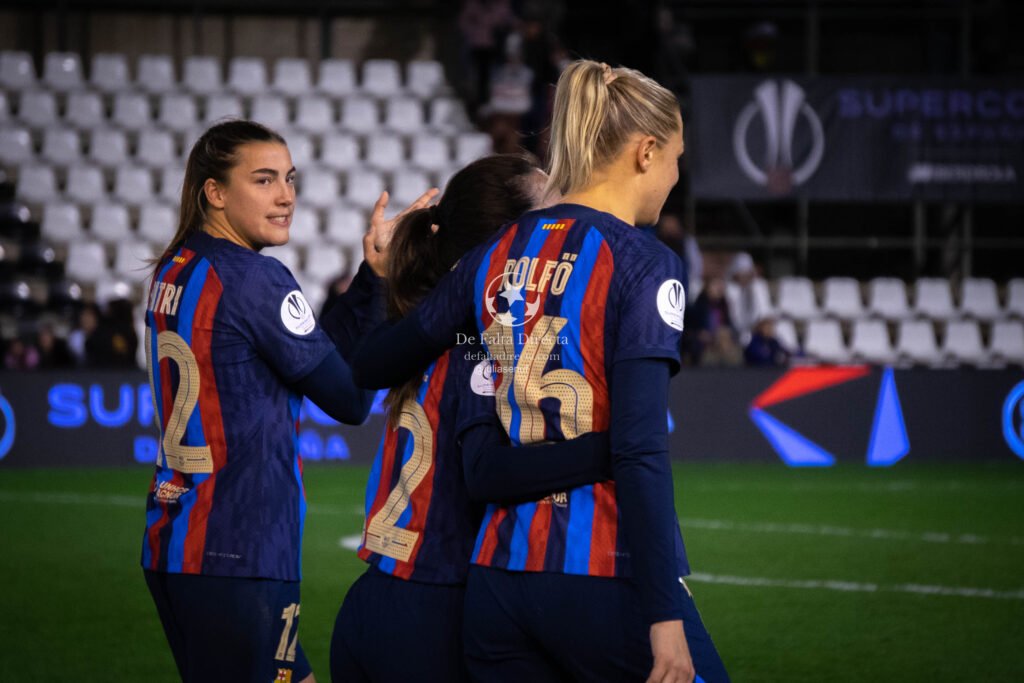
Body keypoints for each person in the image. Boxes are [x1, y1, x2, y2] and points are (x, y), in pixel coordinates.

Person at [351, 61, 729, 683]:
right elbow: (638, 450)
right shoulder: (645, 263)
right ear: (645, 152)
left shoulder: (495, 253)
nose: (675, 176)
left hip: (498, 583)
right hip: (601, 570)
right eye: (675, 159)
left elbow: (373, 363)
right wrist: (664, 614)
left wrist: (378, 278)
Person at [139, 120, 415, 683]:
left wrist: (370, 279)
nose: (286, 196)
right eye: (263, 180)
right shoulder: (256, 278)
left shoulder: (177, 266)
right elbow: (349, 399)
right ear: (215, 192)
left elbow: (309, 354)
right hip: (239, 547)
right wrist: (390, 294)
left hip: (177, 540)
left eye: (290, 179)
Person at [329, 154, 613, 682]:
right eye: (550, 213)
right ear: (510, 241)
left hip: (370, 604)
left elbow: (352, 364)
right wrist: (614, 449)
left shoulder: (417, 327)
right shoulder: (483, 345)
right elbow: (487, 474)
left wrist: (374, 278)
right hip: (436, 614)